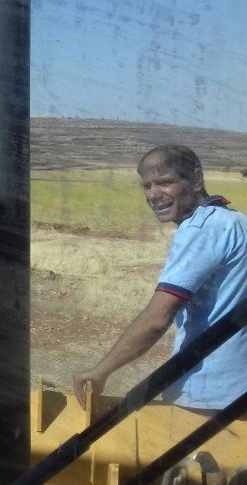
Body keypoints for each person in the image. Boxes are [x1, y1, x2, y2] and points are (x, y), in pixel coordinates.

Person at [73, 144, 247, 411]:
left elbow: (158, 319)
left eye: (165, 182)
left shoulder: (201, 230)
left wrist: (101, 371)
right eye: (147, 186)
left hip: (208, 393)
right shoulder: (236, 221)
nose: (154, 195)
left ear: (196, 180)